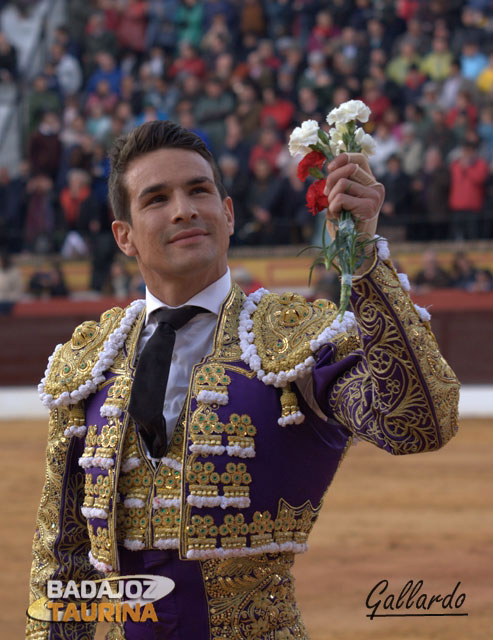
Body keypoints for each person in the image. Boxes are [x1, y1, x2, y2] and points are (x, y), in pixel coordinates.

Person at [27, 120, 459, 640]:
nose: (183, 209)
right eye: (156, 198)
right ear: (125, 236)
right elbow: (64, 562)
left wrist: (364, 257)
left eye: (198, 190)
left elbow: (418, 423)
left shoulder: (294, 340)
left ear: (228, 214)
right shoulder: (92, 361)